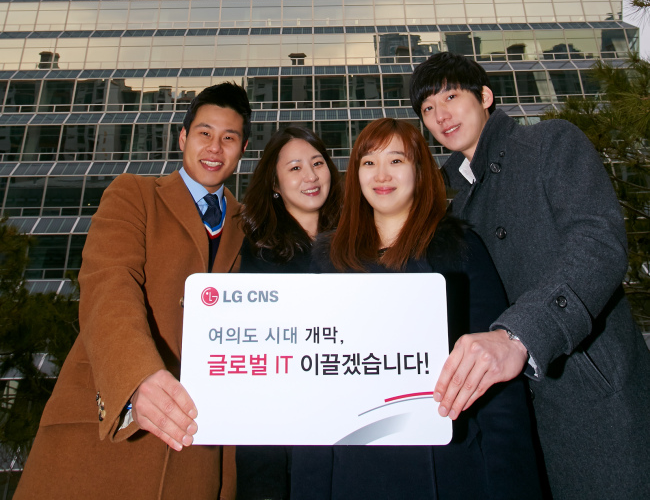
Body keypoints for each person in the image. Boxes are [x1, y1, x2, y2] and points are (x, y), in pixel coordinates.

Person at [410, 52, 650, 500]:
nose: (439, 115)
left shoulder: (549, 143)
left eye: (450, 96)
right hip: (513, 420)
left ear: (485, 96)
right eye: (427, 109)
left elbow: (598, 246)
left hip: (591, 395)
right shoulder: (448, 203)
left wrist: (518, 337)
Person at [16, 82, 251, 500]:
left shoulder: (248, 226)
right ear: (183, 137)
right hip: (104, 444)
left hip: (197, 455)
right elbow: (109, 284)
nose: (215, 147)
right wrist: (136, 377)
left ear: (243, 148)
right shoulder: (134, 194)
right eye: (204, 133)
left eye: (229, 137)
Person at [290, 118, 542, 500]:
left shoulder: (460, 249)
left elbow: (497, 387)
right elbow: (311, 391)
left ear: (420, 171)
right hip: (350, 473)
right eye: (368, 162)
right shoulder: (326, 260)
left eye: (396, 160)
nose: (381, 175)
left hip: (449, 471)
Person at [236, 125, 342, 500]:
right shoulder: (258, 255)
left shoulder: (360, 244)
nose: (311, 176)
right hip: (282, 450)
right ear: (275, 184)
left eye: (317, 163)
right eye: (295, 168)